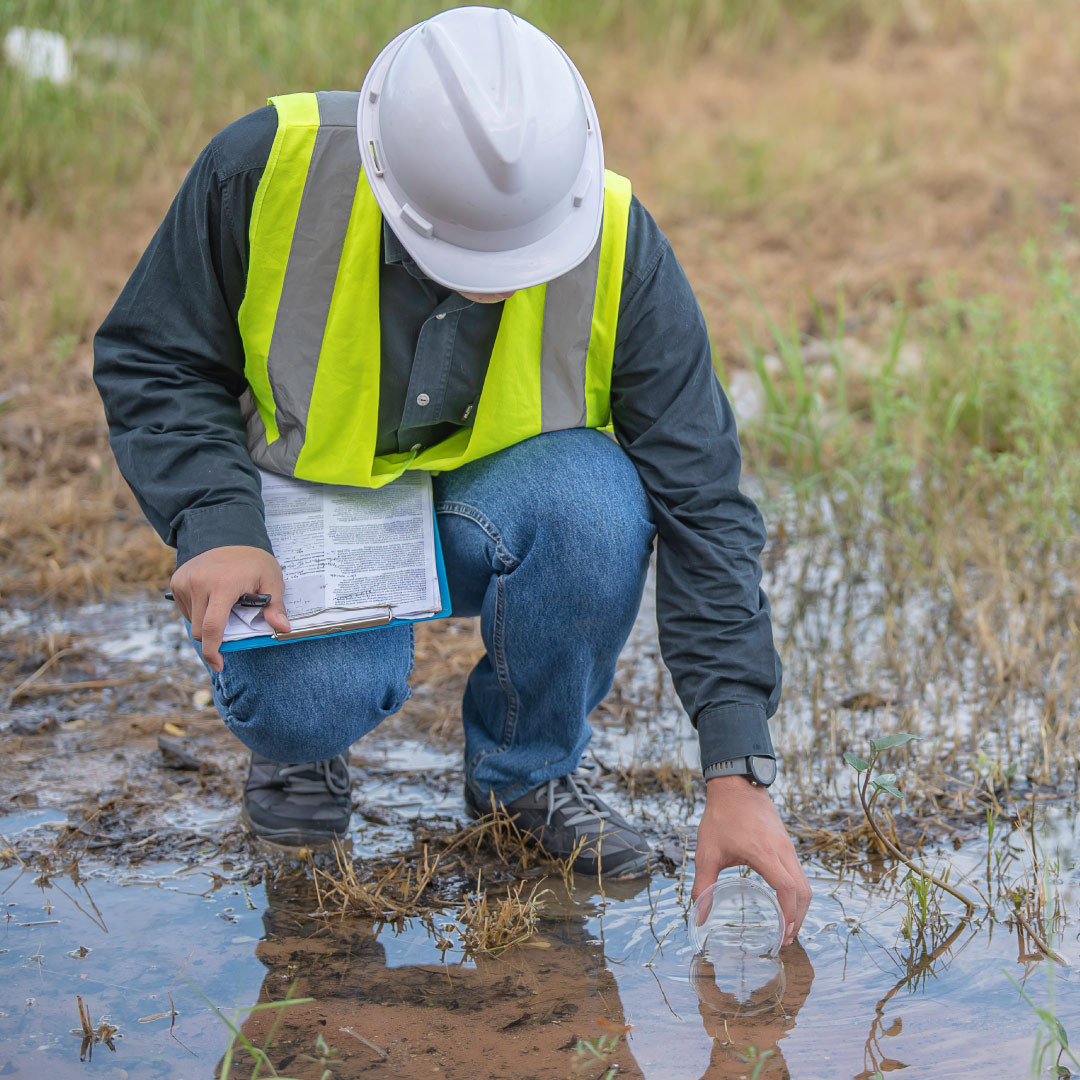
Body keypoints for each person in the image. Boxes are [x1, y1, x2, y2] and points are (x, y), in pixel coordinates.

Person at [93, 7, 811, 942]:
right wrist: (217, 523)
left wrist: (736, 771)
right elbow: (157, 358)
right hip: (304, 523)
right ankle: (301, 756)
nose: (494, 283)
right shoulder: (266, 167)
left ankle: (528, 775)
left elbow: (704, 500)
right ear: (387, 180)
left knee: (600, 498)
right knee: (306, 701)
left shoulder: (619, 240)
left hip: (495, 509)